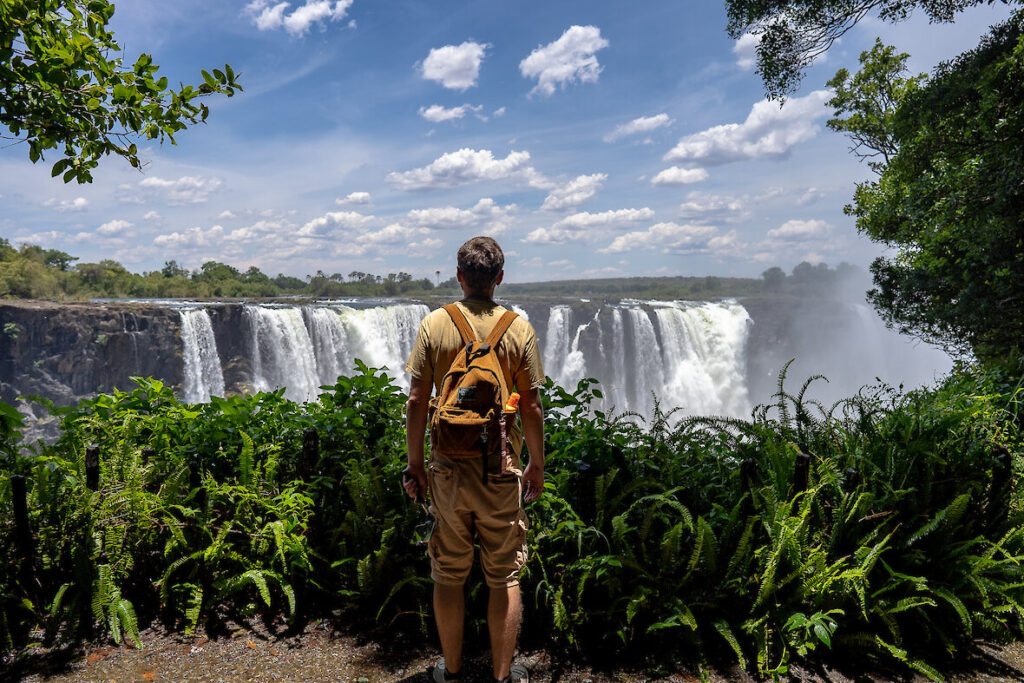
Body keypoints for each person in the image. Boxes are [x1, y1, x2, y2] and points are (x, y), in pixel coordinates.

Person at [404, 236, 546, 683]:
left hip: (446, 468)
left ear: (459, 276)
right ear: (499, 277)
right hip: (500, 467)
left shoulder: (435, 324)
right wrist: (536, 464)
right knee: (504, 575)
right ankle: (502, 677)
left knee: (448, 573)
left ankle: (451, 671)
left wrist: (415, 466)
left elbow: (416, 401)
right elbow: (531, 406)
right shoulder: (518, 328)